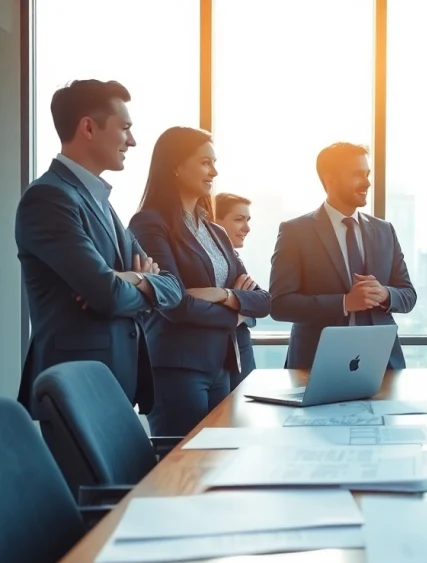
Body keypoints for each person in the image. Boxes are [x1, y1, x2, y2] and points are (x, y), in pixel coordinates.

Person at [15, 80, 182, 418]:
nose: (133, 141)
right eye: (125, 128)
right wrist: (134, 279)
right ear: (88, 127)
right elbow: (107, 293)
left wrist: (128, 278)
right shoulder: (48, 198)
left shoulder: (100, 202)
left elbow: (173, 286)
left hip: (114, 386)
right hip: (74, 392)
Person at [129, 127, 271, 436]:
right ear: (176, 166)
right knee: (181, 471)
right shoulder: (150, 224)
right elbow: (175, 303)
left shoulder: (216, 232)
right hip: (177, 369)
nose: (214, 171)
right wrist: (236, 312)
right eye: (205, 162)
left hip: (220, 367)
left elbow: (263, 300)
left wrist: (221, 294)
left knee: (219, 460)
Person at [269, 142, 416, 369]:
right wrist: (345, 302)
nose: (367, 182)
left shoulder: (385, 230)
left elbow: (408, 295)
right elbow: (280, 305)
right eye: (358, 174)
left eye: (367, 174)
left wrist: (385, 294)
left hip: (381, 362)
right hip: (316, 360)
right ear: (330, 180)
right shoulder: (295, 231)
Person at [213, 193, 257, 388]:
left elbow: (259, 304)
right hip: (216, 362)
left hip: (242, 358)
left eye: (247, 220)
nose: (247, 228)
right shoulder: (209, 266)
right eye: (239, 219)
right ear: (214, 222)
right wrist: (239, 302)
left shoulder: (235, 259)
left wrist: (237, 300)